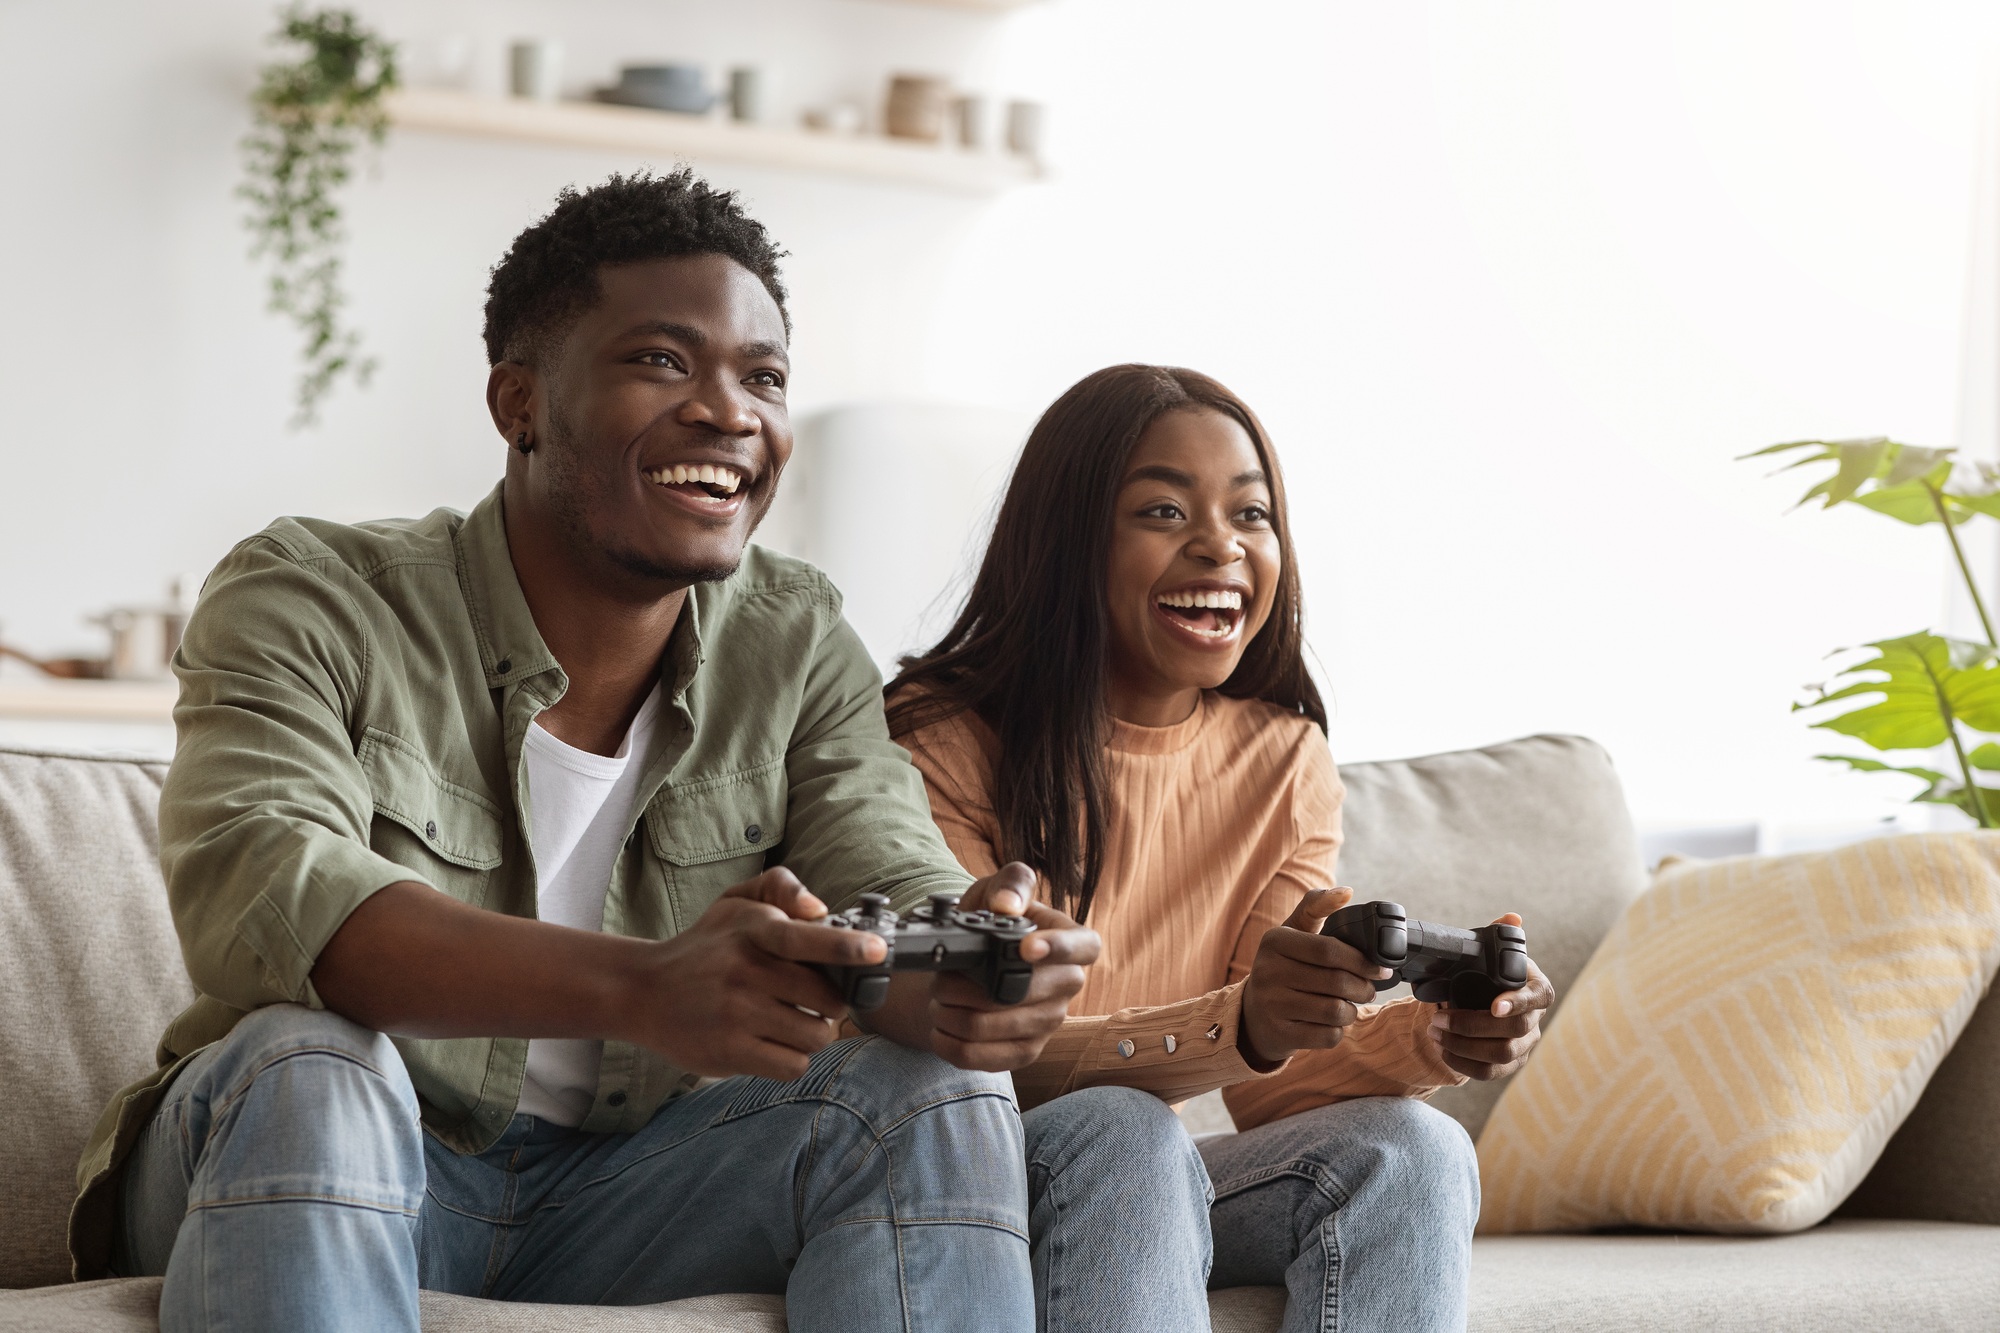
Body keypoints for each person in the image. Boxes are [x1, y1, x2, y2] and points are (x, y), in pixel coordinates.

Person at [70, 176, 1215, 1333]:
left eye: (761, 377)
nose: (729, 412)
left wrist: (966, 970)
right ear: (519, 402)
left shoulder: (797, 635)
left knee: (928, 1094)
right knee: (309, 1063)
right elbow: (269, 894)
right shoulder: (311, 595)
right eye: (662, 362)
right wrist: (645, 986)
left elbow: (886, 867)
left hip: (628, 1192)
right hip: (324, 1150)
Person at [888, 364, 1559, 1333]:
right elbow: (965, 1052)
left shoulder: (1280, 758)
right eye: (1162, 510)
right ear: (1066, 540)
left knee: (1412, 1149)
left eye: (1251, 514)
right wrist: (1237, 1024)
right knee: (1123, 1130)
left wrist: (1434, 1035)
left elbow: (1263, 1078)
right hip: (972, 1171)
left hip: (1143, 1177)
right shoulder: (938, 739)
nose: (1220, 545)